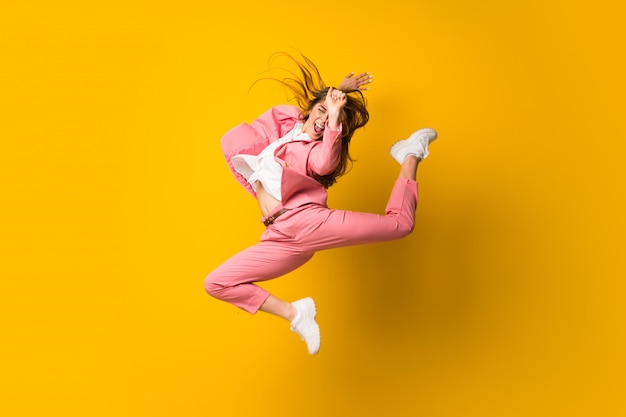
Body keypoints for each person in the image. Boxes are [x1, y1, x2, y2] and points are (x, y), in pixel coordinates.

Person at [204, 54, 437, 354]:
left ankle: (410, 154)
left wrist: (335, 117)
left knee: (401, 225)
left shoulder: (316, 151)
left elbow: (326, 162)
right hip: (281, 237)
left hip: (309, 222)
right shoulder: (283, 134)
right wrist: (340, 91)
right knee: (217, 283)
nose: (323, 121)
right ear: (310, 110)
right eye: (320, 113)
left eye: (330, 121)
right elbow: (315, 109)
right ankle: (295, 313)